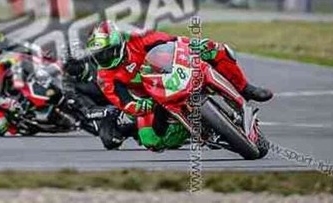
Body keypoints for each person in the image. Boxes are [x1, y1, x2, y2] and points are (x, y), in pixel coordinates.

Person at [85, 20, 273, 151]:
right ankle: (187, 131)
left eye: (107, 52)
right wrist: (141, 106)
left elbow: (174, 42)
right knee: (150, 140)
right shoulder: (105, 76)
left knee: (215, 49)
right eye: (99, 56)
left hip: (171, 71)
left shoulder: (139, 38)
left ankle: (244, 88)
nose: (104, 58)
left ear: (119, 43)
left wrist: (195, 46)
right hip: (151, 97)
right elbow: (124, 101)